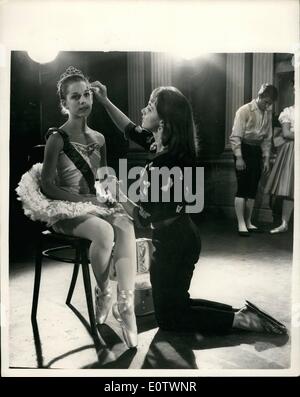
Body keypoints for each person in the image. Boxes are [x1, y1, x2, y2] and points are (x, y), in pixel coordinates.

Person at [91, 81, 287, 336]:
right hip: (178, 237)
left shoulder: (166, 163)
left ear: (163, 122)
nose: (143, 110)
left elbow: (140, 215)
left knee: (170, 318)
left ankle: (241, 321)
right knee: (176, 307)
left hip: (175, 243)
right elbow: (129, 128)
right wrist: (106, 101)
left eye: (149, 107)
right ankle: (240, 314)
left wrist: (115, 190)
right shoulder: (164, 145)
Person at [20, 67, 138, 348]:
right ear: (65, 104)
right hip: (63, 209)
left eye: (87, 94)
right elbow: (48, 187)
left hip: (94, 204)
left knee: (124, 224)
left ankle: (126, 307)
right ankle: (103, 292)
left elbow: (104, 179)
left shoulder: (99, 138)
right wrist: (89, 202)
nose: (83, 100)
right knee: (104, 232)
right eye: (75, 97)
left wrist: (120, 199)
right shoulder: (56, 138)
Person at [230, 84, 278, 236]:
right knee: (242, 187)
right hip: (243, 149)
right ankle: (241, 223)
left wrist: (265, 159)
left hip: (256, 151)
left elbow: (267, 139)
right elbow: (235, 136)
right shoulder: (244, 111)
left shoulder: (267, 113)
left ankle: (248, 221)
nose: (268, 106)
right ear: (260, 96)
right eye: (266, 102)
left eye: (270, 103)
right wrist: (239, 157)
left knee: (252, 188)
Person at [265, 101, 295, 233]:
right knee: (291, 189)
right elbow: (286, 133)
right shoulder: (288, 111)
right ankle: (284, 223)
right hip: (293, 149)